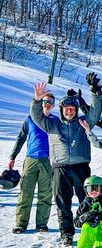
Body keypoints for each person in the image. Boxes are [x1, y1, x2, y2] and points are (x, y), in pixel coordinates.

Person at [30, 74, 102, 246]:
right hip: (60, 168)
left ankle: (90, 229)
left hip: (81, 168)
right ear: (62, 109)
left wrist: (95, 93)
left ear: (76, 109)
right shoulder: (52, 123)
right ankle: (67, 233)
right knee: (62, 202)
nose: (69, 110)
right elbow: (37, 116)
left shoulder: (84, 122)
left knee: (88, 200)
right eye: (66, 107)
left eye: (72, 107)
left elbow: (95, 111)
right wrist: (37, 100)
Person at [9, 92, 55, 234]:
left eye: (50, 102)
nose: (47, 104)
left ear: (53, 106)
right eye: (45, 101)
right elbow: (21, 138)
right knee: (25, 192)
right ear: (40, 103)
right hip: (31, 159)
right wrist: (13, 156)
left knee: (45, 193)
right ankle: (20, 223)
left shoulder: (55, 121)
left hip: (48, 161)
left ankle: (41, 223)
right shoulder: (30, 119)